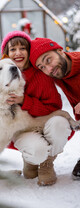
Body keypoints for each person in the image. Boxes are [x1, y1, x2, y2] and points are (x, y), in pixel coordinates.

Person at [0, 31, 71, 186]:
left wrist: (26, 101)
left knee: (60, 123)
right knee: (36, 150)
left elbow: (53, 108)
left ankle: (47, 164)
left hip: (40, 122)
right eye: (12, 49)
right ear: (6, 54)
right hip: (22, 130)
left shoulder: (41, 72)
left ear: (28, 51)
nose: (18, 53)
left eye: (22, 48)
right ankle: (31, 160)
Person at [30, 37, 80, 180]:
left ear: (60, 51)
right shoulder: (60, 74)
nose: (49, 69)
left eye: (48, 60)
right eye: (42, 67)